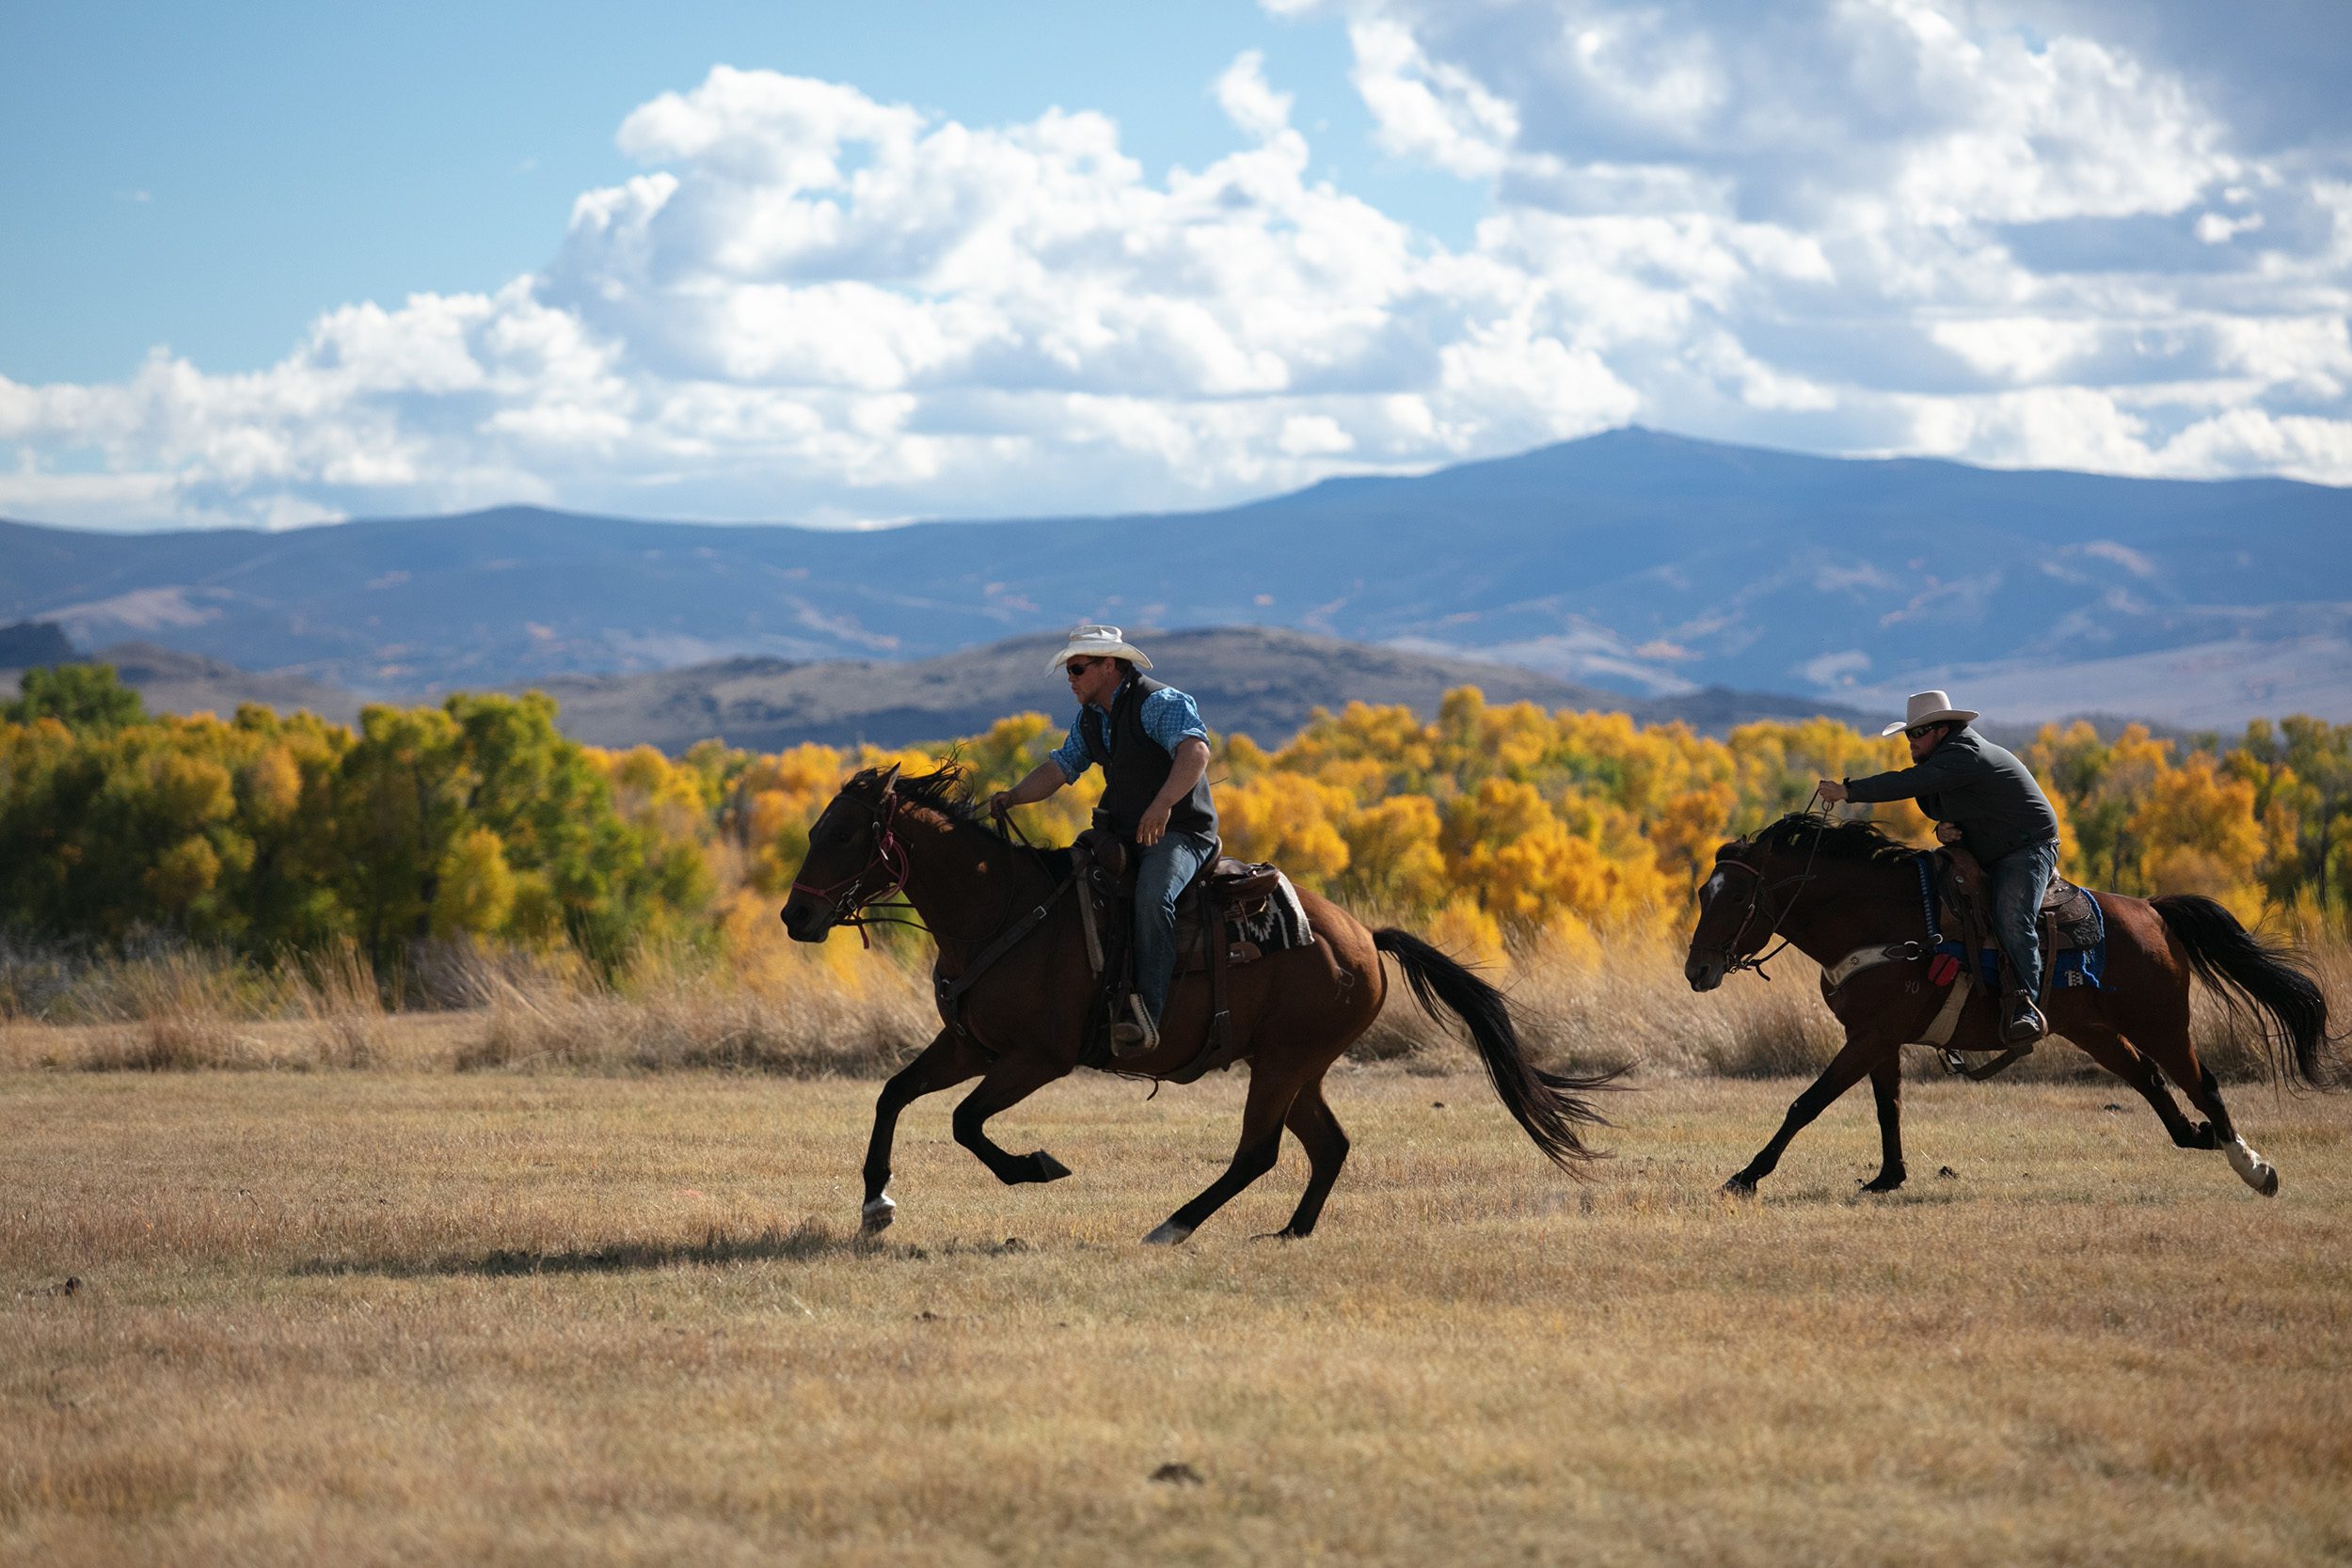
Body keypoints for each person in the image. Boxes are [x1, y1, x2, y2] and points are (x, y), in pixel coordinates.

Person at [988, 626, 1216, 1055]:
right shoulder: (1091, 718)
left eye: (1077, 668)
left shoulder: (1158, 702)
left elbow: (1195, 753)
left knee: (1153, 897)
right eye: (1068, 671)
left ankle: (1148, 1012)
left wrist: (1162, 805)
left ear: (1108, 666)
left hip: (1182, 832)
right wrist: (1012, 798)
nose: (1070, 679)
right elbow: (1060, 768)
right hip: (1124, 834)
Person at [1818, 690, 2061, 1044]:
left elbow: (1909, 783)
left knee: (2012, 915)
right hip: (1989, 847)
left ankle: (2027, 1004)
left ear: (1942, 730)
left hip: (2028, 847)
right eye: (1908, 735)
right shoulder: (1942, 762)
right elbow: (1944, 805)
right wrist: (1944, 828)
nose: (1911, 742)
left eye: (1917, 733)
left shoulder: (1964, 753)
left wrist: (1847, 791)